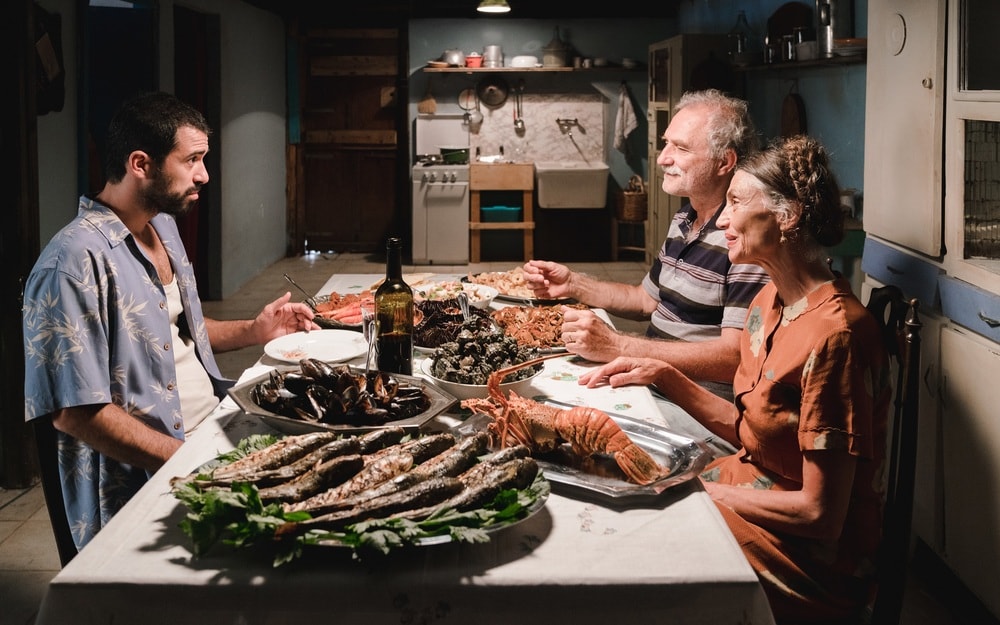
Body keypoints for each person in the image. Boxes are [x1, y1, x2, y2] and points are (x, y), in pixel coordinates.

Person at [578, 135, 892, 623]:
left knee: (634, 552)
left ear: (786, 216)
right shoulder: (769, 303)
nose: (722, 220)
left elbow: (820, 516)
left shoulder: (836, 338)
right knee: (608, 489)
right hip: (753, 483)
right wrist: (665, 375)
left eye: (737, 204)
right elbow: (752, 428)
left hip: (811, 556)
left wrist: (694, 493)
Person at [21, 91, 319, 552]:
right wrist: (191, 464)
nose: (204, 174)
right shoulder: (71, 263)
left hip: (215, 426)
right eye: (193, 159)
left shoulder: (163, 225)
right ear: (141, 163)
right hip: (143, 473)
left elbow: (172, 333)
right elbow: (75, 413)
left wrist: (253, 331)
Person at [523, 89, 770, 399]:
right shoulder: (684, 218)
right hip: (647, 382)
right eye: (667, 143)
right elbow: (645, 301)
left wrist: (618, 346)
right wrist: (573, 284)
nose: (663, 158)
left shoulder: (743, 239)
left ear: (724, 162)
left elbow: (736, 358)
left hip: (692, 403)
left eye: (680, 148)